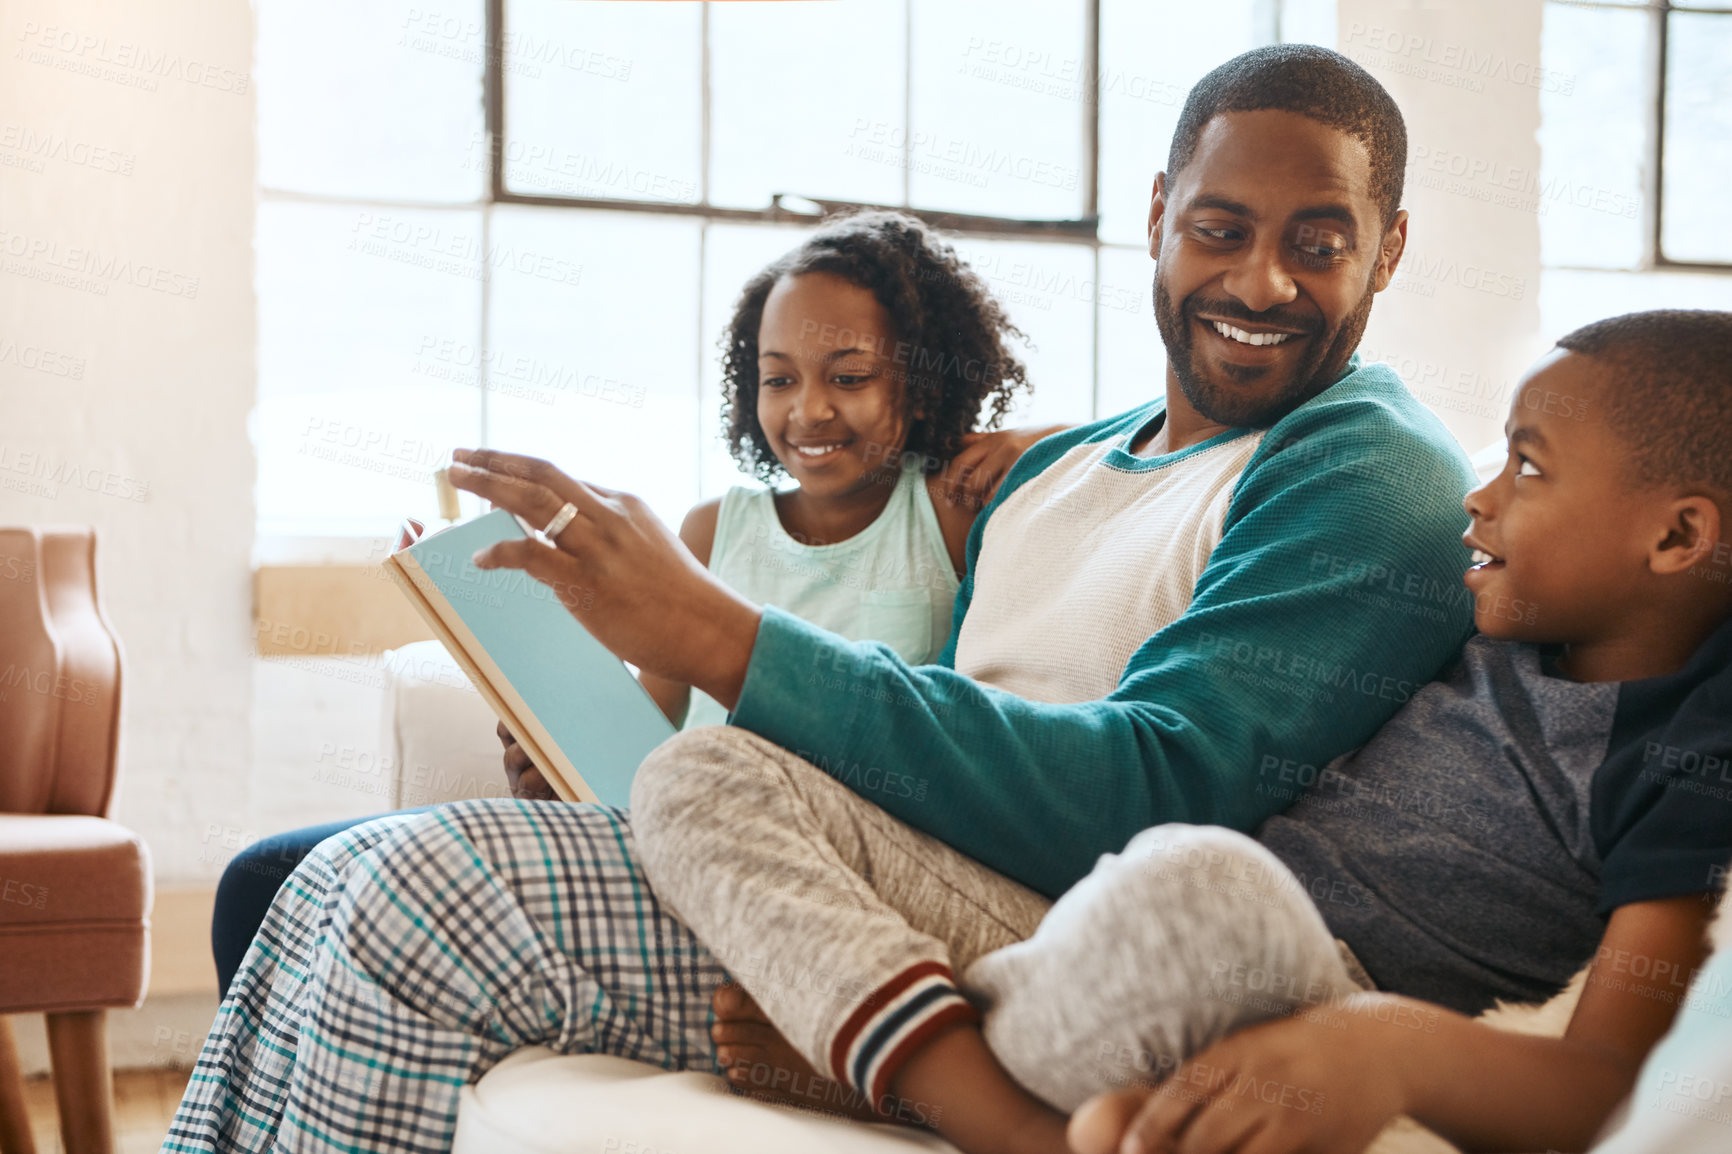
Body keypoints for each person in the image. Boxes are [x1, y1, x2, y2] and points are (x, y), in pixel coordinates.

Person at [164, 46, 1480, 1153]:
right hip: (879, 864)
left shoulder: (1366, 462)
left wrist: (714, 633)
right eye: (1220, 229)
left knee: (419, 894)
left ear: (1393, 247)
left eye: (1321, 243)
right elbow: (950, 716)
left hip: (1063, 917)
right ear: (1156, 214)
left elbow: (1157, 787)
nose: (1261, 284)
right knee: (326, 878)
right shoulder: (1065, 465)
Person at [637, 310, 1732, 1154]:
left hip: (1298, 986)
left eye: (1528, 467)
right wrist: (1084, 445)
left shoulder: (1687, 748)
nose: (1477, 497)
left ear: (1678, 535)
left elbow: (1620, 1081)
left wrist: (1386, 1046)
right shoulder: (1488, 607)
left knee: (1203, 881)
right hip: (1095, 945)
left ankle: (914, 1069)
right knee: (704, 766)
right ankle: (963, 1080)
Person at [207, 210, 1056, 994]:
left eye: (851, 375)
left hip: (787, 870)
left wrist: (1026, 437)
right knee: (262, 880)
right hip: (644, 831)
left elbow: (1163, 437)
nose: (809, 410)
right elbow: (640, 742)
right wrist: (550, 757)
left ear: (927, 380)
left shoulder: (946, 508)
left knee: (346, 888)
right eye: (777, 379)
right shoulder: (711, 529)